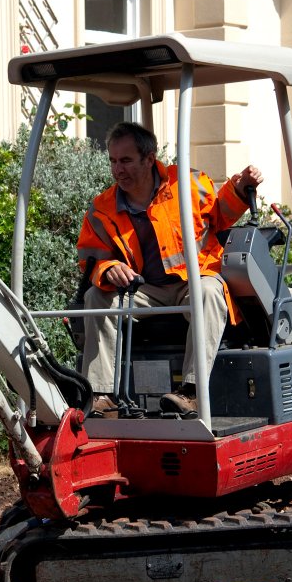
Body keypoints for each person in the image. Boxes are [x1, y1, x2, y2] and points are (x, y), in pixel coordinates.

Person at [76, 122, 261, 415]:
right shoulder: (102, 208)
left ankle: (191, 391)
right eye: (113, 161)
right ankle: (101, 394)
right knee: (96, 298)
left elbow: (220, 214)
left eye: (125, 160)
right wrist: (109, 268)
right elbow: (91, 261)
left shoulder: (187, 184)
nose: (117, 169)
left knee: (210, 293)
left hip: (193, 281)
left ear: (149, 159)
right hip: (145, 289)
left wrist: (238, 190)